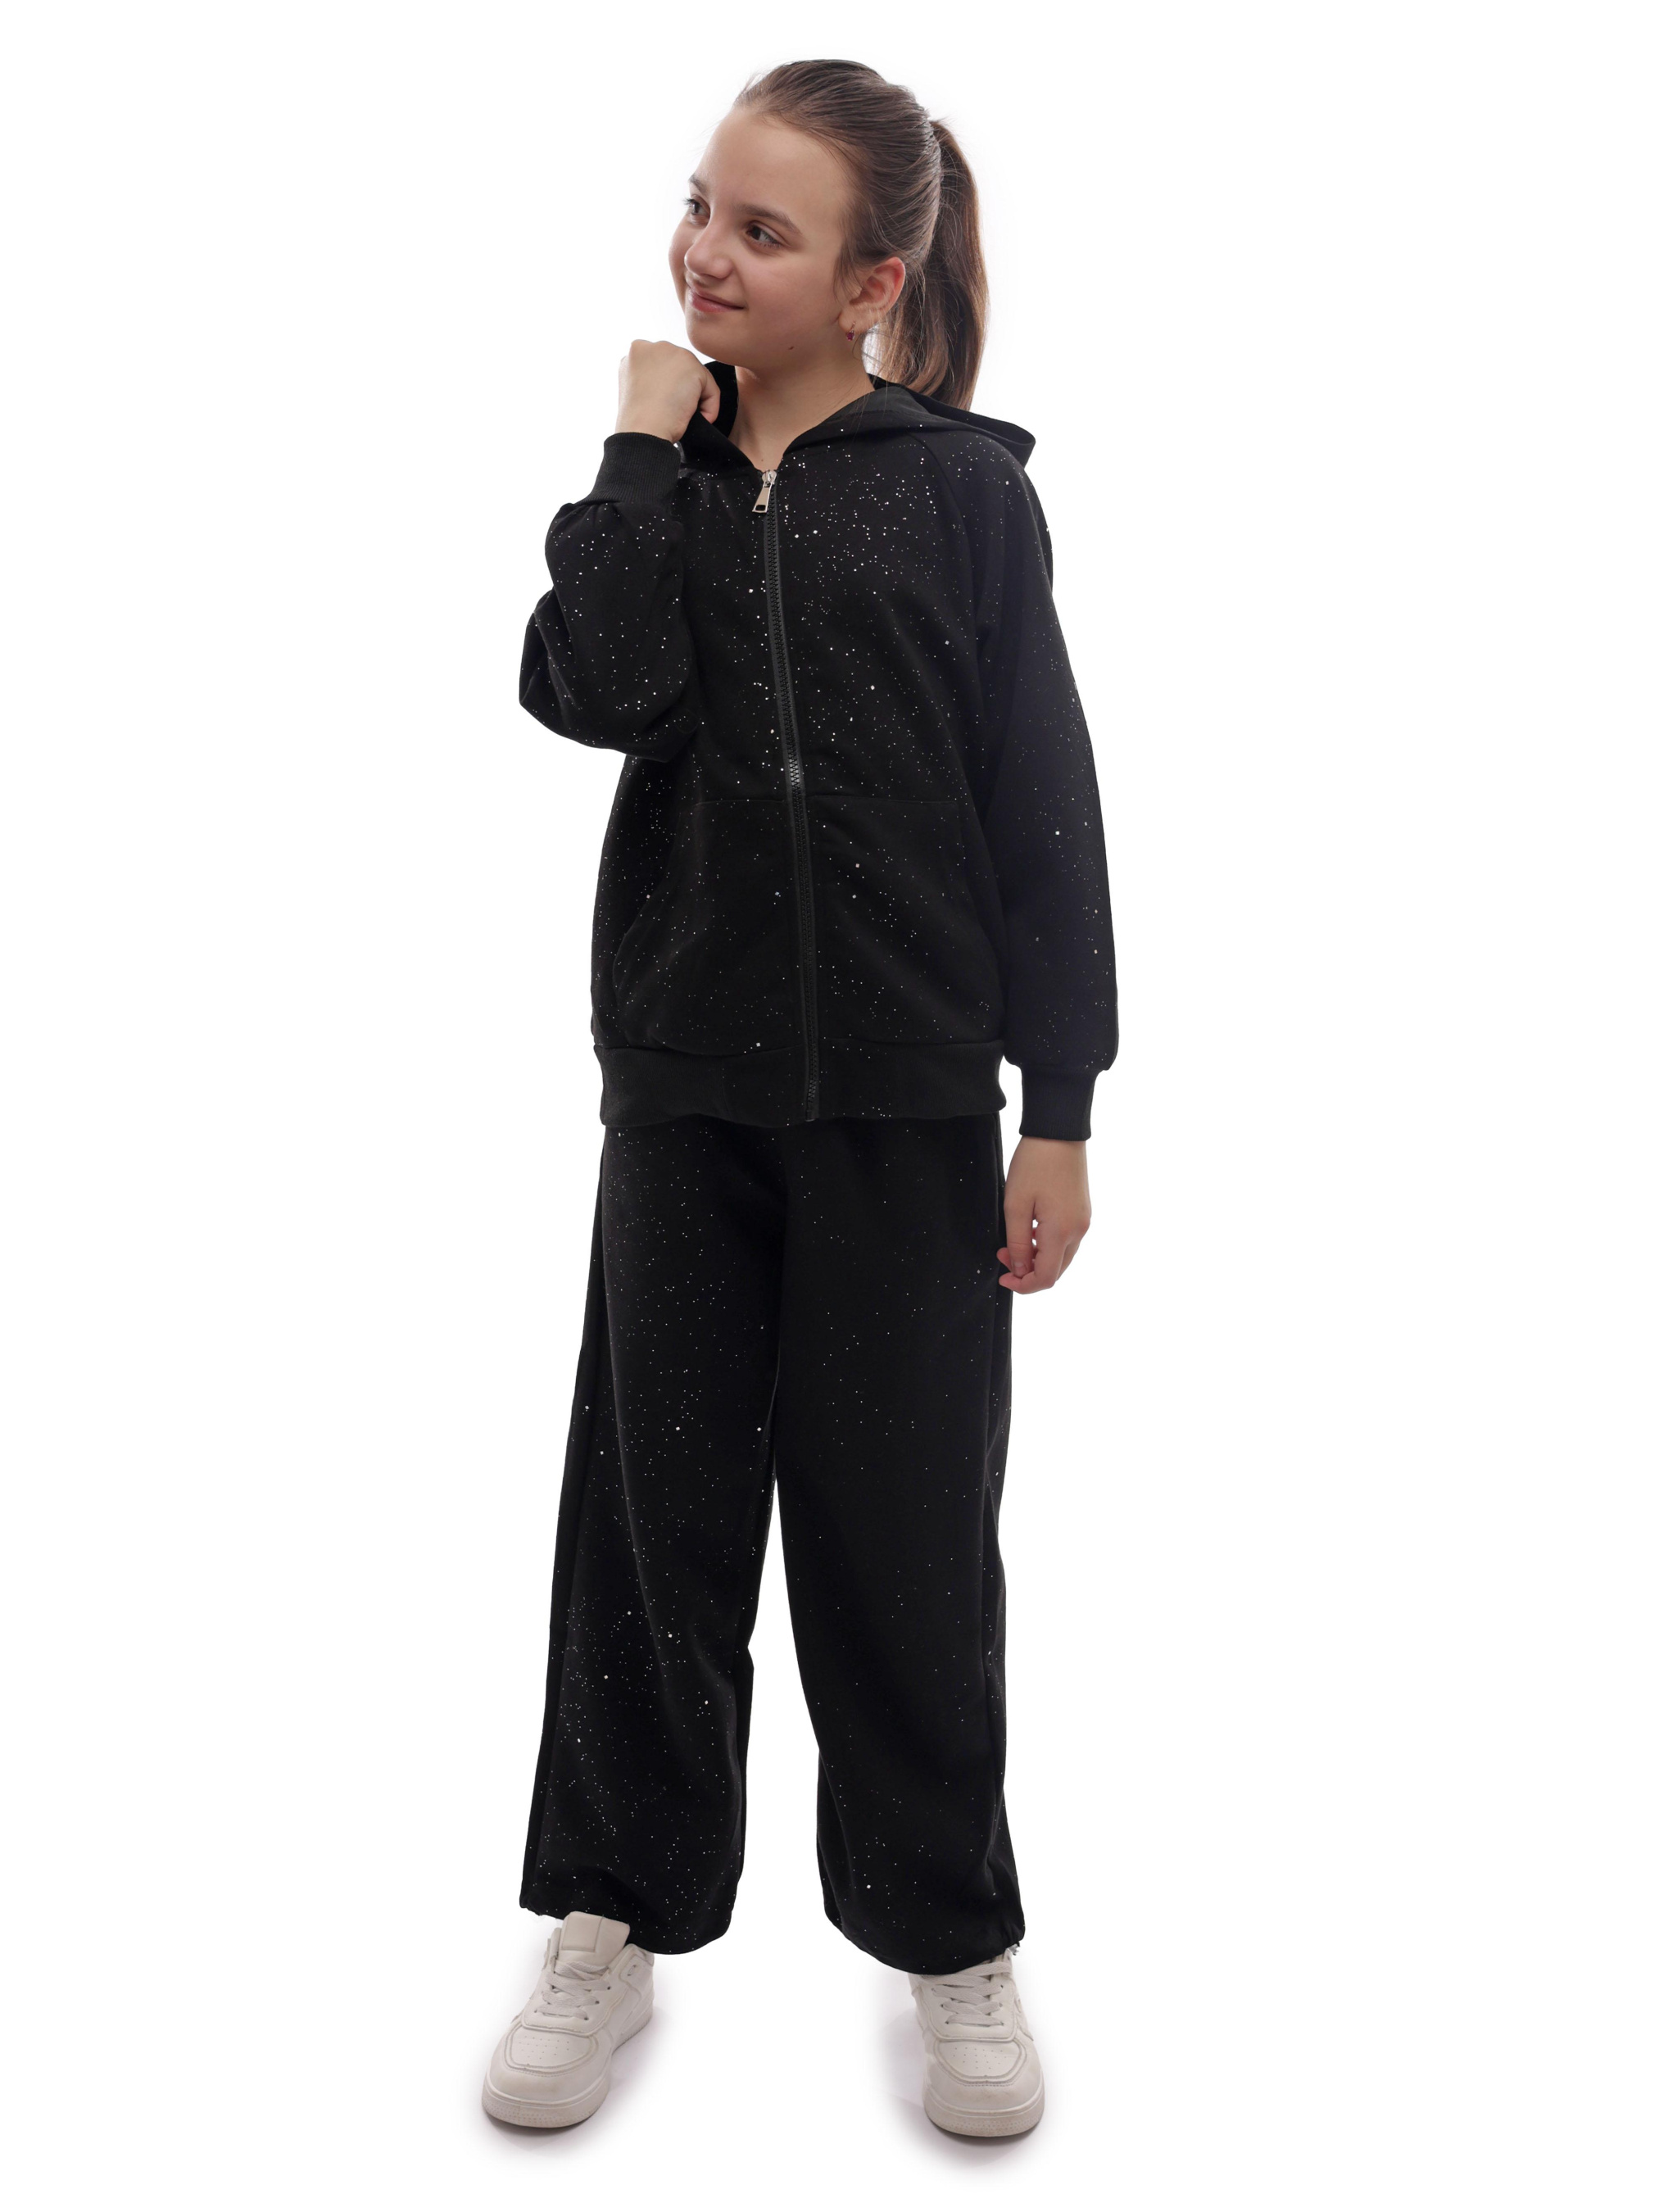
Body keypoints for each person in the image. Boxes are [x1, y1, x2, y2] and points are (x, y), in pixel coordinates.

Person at [483, 58, 1117, 2141]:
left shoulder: (959, 497)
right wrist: (631, 447)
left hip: (910, 1117)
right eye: (699, 206)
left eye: (761, 230)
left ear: (870, 283)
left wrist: (1058, 1104)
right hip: (683, 1106)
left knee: (905, 1549)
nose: (705, 252)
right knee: (649, 1535)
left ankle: (951, 1939)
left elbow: (1039, 805)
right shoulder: (656, 485)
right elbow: (593, 688)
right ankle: (605, 1918)